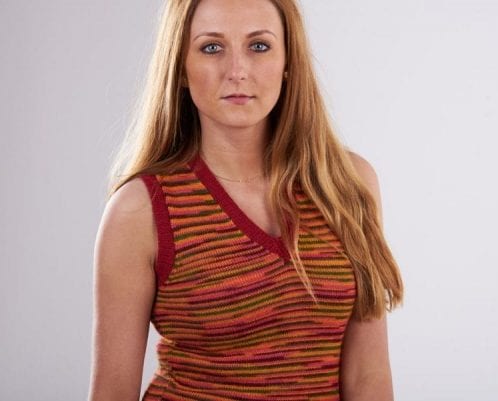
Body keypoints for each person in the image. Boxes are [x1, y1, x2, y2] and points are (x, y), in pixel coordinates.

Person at [88, 0, 403, 400]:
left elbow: (368, 377)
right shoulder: (140, 210)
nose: (236, 70)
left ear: (288, 61)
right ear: (180, 67)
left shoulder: (347, 184)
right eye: (211, 47)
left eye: (259, 46)